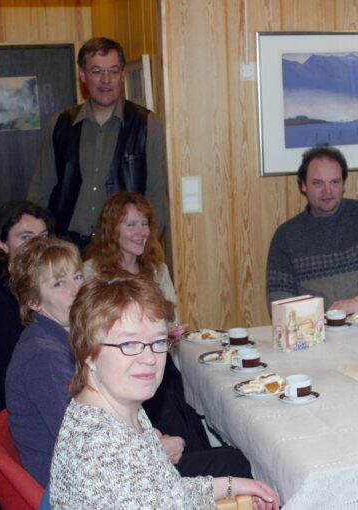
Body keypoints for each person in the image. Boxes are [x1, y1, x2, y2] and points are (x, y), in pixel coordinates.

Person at [49, 274, 278, 509]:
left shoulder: (121, 410)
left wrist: (230, 486)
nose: (149, 358)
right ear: (88, 352)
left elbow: (165, 492)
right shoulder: (101, 450)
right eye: (129, 344)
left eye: (158, 342)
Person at [84, 191, 248, 475]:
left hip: (159, 361)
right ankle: (195, 472)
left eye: (145, 223)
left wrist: (171, 333)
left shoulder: (156, 269)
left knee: (182, 401)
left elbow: (171, 318)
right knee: (171, 406)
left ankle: (201, 465)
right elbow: (90, 332)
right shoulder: (91, 273)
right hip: (121, 370)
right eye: (131, 225)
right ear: (112, 229)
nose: (141, 232)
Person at [27, 37, 166, 250]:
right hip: (66, 248)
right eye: (97, 71)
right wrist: (38, 245)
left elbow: (155, 196)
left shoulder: (147, 124)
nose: (106, 80)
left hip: (120, 249)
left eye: (113, 71)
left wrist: (146, 249)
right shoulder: (60, 124)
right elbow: (40, 192)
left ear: (122, 74)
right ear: (83, 75)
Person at [266, 145, 358, 313]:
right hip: (318, 326)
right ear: (303, 185)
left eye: (334, 182)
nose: (327, 190)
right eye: (318, 183)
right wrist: (319, 321)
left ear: (343, 184)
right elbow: (278, 299)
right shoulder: (286, 236)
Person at [5, 236, 83, 486]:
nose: (77, 289)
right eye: (59, 283)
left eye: (78, 277)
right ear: (33, 302)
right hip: (68, 488)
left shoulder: (64, 338)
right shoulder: (43, 355)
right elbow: (80, 439)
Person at [0, 201, 52, 414]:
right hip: (20, 410)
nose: (39, 245)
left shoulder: (48, 287)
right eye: (26, 237)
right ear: (1, 245)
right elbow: (14, 372)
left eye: (44, 236)